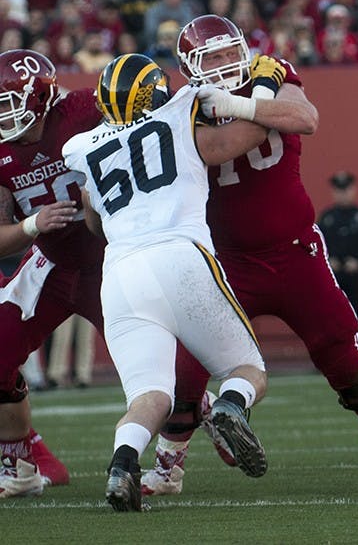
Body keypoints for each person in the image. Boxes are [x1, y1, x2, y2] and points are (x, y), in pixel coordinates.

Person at [141, 16, 358, 497]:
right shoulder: (180, 108)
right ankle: (169, 464)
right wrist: (252, 108)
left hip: (295, 250)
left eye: (229, 52)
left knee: (342, 350)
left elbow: (306, 118)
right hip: (225, 259)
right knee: (188, 365)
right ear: (189, 66)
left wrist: (238, 103)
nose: (223, 64)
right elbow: (219, 149)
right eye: (209, 58)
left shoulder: (270, 74)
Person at [62, 53, 272, 511]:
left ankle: (122, 465)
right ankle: (230, 408)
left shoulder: (80, 147)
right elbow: (253, 131)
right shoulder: (179, 111)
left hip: (119, 275)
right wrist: (266, 88)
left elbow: (94, 221)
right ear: (154, 92)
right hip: (180, 255)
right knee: (247, 371)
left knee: (151, 395)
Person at [0, 49, 97, 498]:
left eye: (8, 103)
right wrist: (31, 224)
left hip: (108, 257)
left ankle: (203, 409)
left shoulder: (84, 109)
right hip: (50, 261)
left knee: (161, 354)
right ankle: (21, 463)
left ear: (38, 97)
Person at [316, 171, 358, 336]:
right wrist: (328, 260)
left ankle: (357, 352)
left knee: (356, 314)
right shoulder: (325, 218)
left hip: (356, 276)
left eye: (346, 189)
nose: (343, 194)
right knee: (332, 316)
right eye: (338, 190)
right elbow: (316, 245)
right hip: (332, 277)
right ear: (333, 192)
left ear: (353, 190)